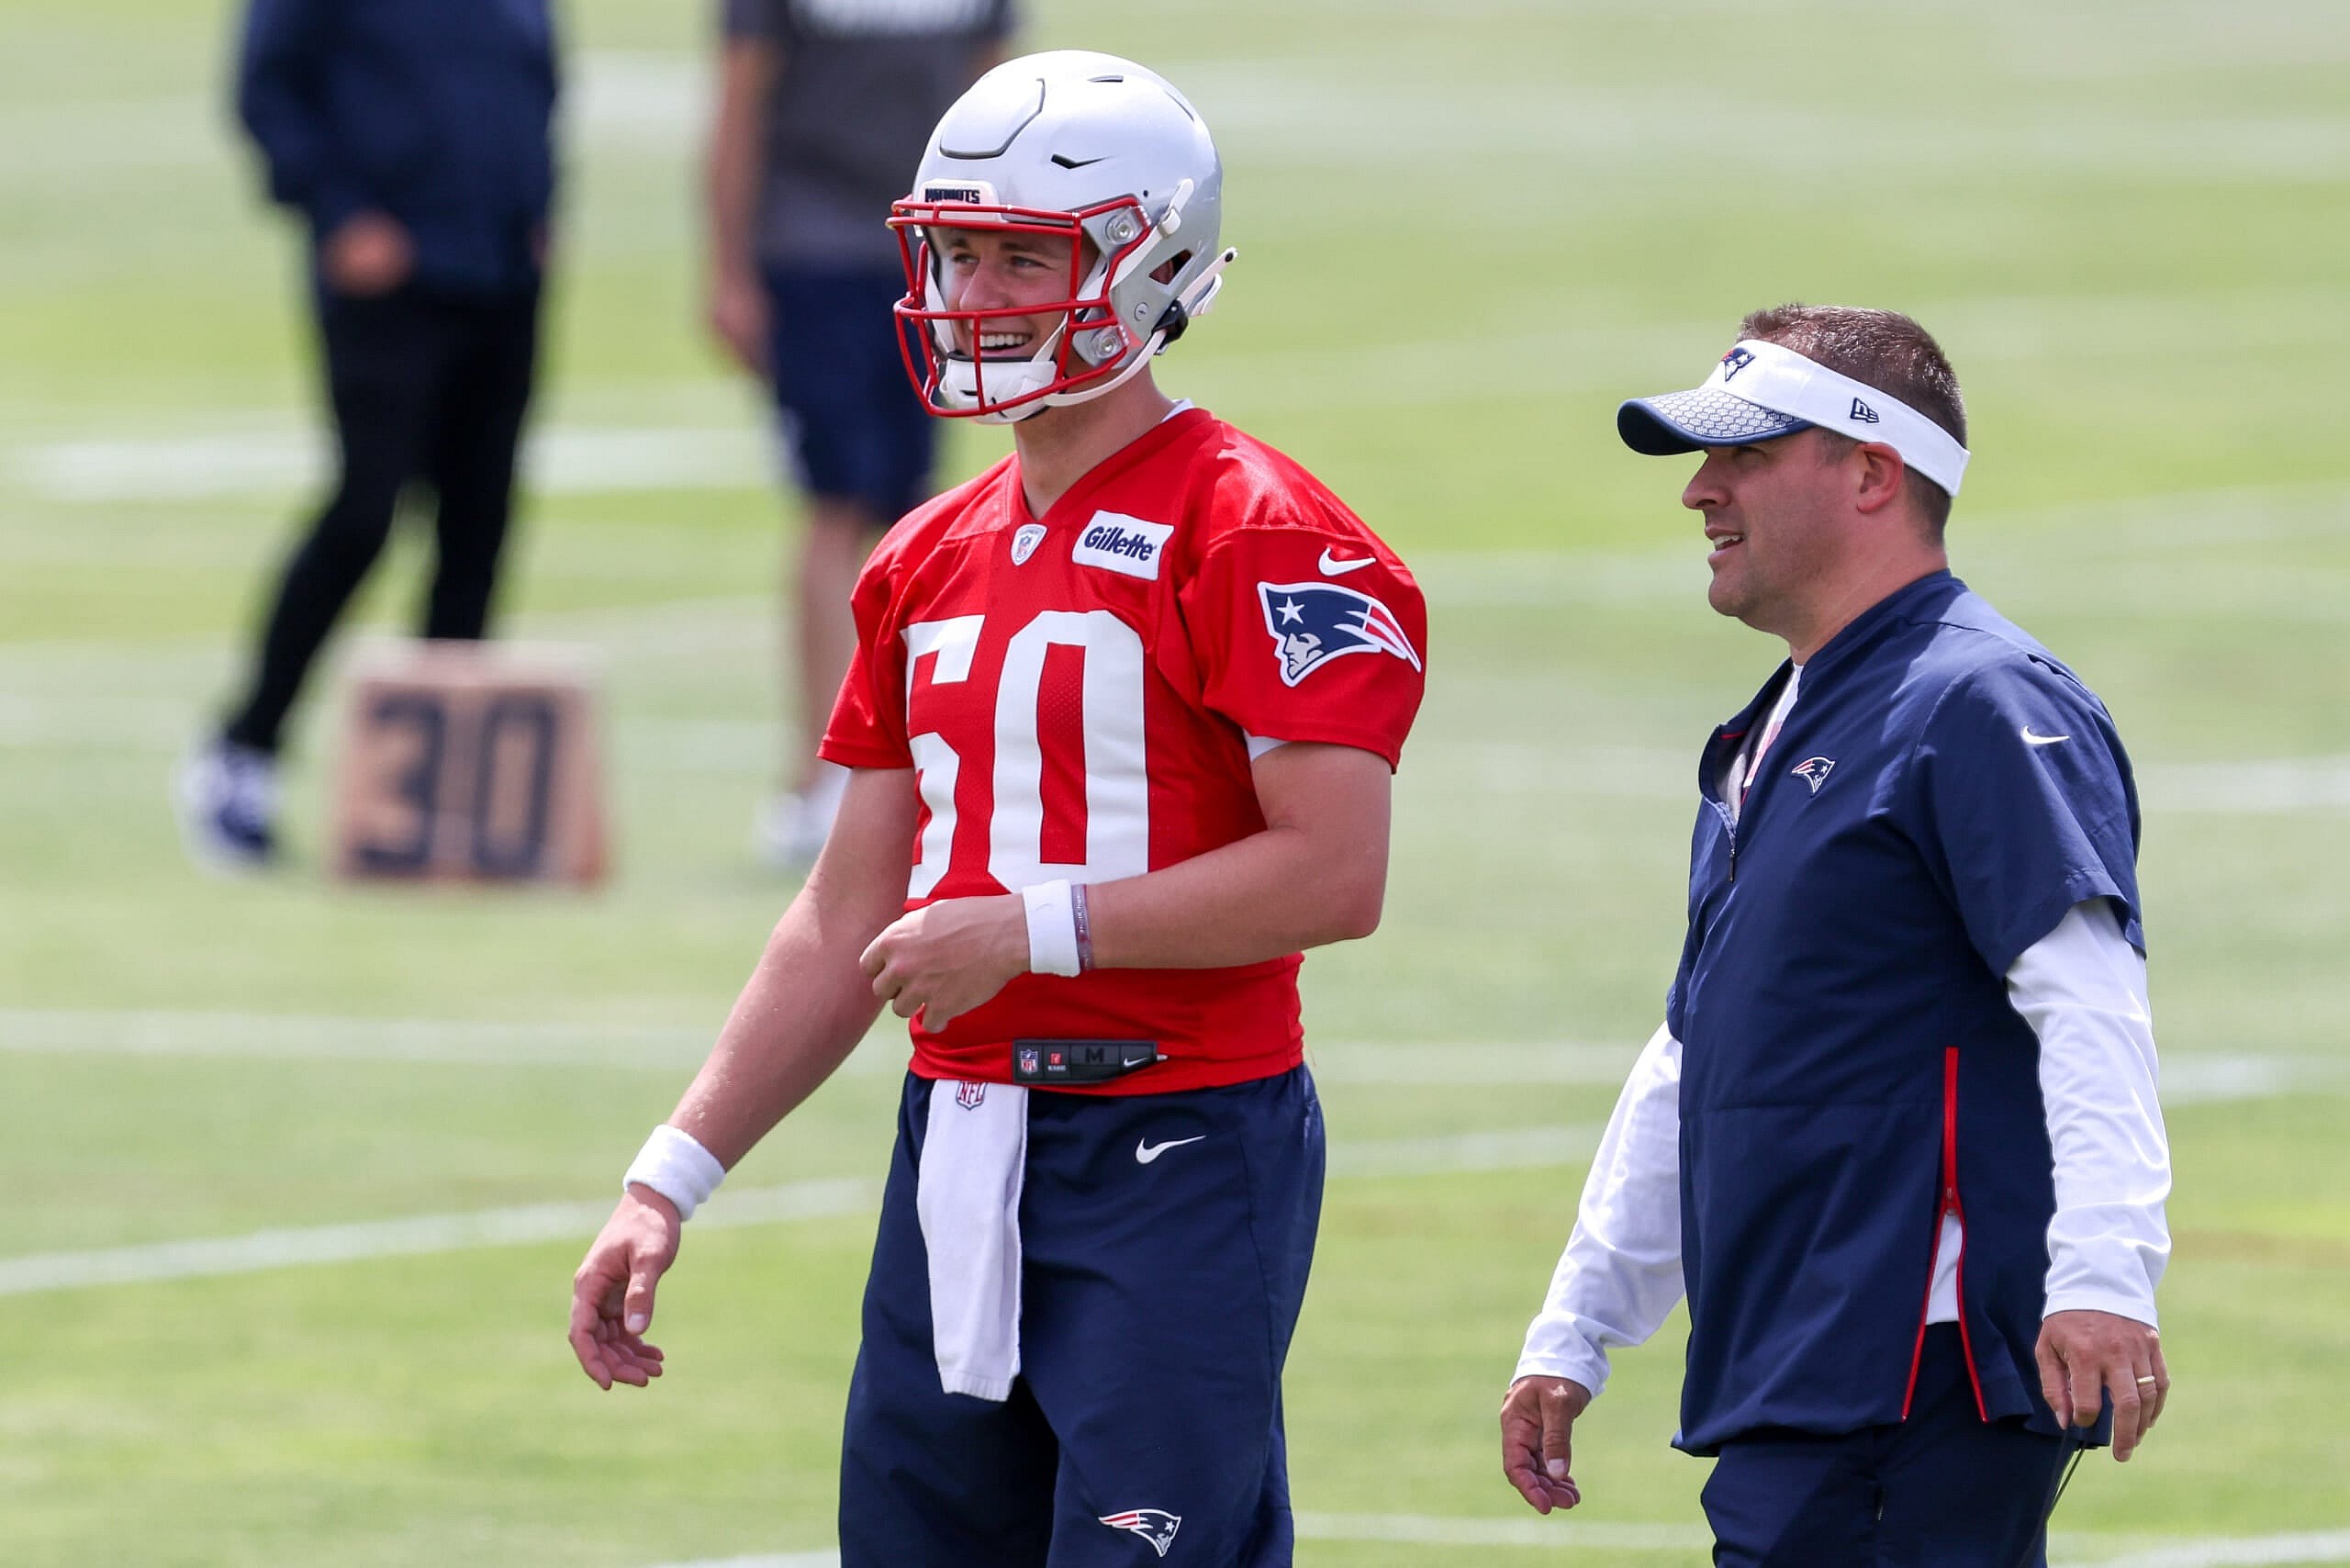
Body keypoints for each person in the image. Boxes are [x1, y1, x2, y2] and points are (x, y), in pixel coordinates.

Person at [570, 52, 1427, 1567]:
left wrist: (1034, 929)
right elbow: (846, 911)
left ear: (1150, 258)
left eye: (1027, 252)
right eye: (959, 248)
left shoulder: (1264, 531)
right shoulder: (920, 553)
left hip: (1176, 1133)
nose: (978, 289)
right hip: (957, 1138)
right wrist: (671, 1170)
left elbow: (1335, 872)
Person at [1498, 306, 2173, 1566]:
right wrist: (1577, 1327)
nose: (1702, 491)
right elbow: (1696, 1047)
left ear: (1873, 473)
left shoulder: (1979, 701)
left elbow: (2090, 1005)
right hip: (1793, 1359)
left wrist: (2102, 1278)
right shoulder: (1777, 726)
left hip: (1909, 1369)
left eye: (1747, 456)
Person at [176, 0, 559, 868]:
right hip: (389, 276)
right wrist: (338, 212)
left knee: (481, 520)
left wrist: (538, 204)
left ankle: (447, 792)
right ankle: (245, 750)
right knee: (365, 509)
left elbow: (532, 77)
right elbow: (266, 90)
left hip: (499, 268)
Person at [706, 0, 1014, 868]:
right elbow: (737, 101)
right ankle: (821, 776)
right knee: (834, 503)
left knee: (914, 514)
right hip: (813, 250)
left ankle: (925, 763)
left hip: (939, 252)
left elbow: (1003, 95)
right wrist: (729, 265)